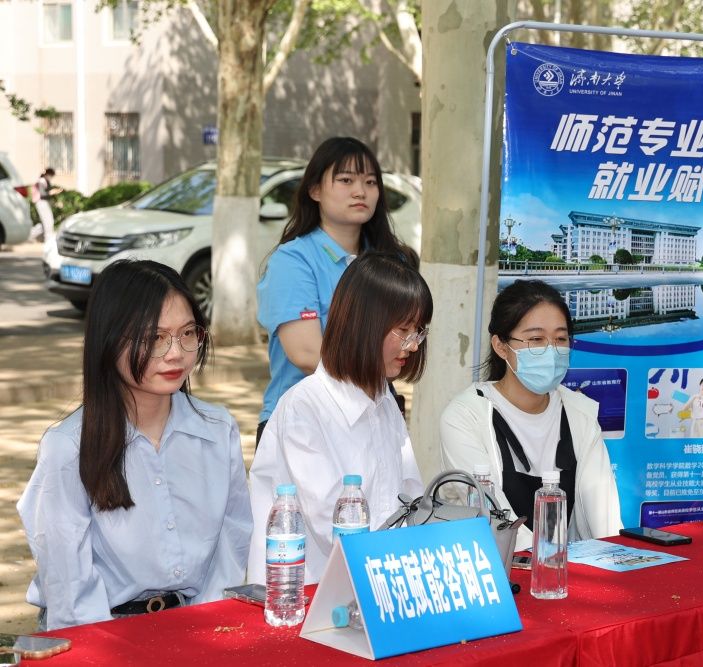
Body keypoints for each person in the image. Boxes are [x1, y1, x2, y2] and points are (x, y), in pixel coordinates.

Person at [17, 260, 252, 631]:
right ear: (109, 341)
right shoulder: (68, 448)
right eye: (154, 338)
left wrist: (206, 626)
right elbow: (70, 588)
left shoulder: (218, 430)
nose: (175, 353)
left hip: (196, 623)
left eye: (188, 333)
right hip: (102, 628)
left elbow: (232, 543)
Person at [248, 252, 429, 584]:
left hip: (379, 579)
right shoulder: (305, 407)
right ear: (363, 325)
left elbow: (411, 500)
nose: (413, 345)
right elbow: (333, 527)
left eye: (418, 332)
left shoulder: (384, 401)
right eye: (403, 330)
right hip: (306, 593)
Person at [440, 279, 622, 551]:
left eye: (560, 339)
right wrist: (544, 561)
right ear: (501, 346)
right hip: (498, 568)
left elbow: (603, 514)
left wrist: (615, 556)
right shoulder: (465, 417)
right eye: (536, 339)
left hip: (563, 569)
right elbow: (492, 519)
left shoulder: (580, 413)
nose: (551, 350)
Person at [256, 137, 412, 446]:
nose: (360, 191)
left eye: (370, 182)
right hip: (304, 424)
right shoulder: (294, 260)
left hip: (376, 418)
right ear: (315, 190)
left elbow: (404, 346)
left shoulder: (392, 261)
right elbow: (306, 353)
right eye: (346, 180)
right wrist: (379, 360)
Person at [30, 168, 61, 253]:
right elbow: (43, 194)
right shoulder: (42, 181)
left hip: (43, 203)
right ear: (48, 174)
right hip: (41, 203)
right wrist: (52, 192)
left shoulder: (44, 181)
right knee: (48, 222)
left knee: (45, 223)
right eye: (51, 175)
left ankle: (29, 236)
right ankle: (48, 242)